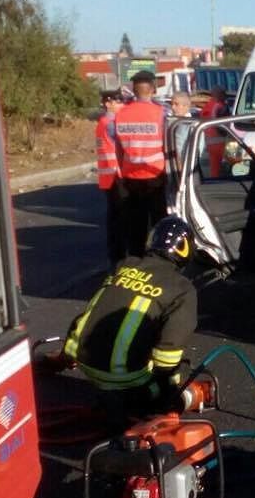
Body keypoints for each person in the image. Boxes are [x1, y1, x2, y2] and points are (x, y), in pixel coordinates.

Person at [63, 217, 199, 435]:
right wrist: (169, 396)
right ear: (186, 251)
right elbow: (167, 358)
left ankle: (113, 395)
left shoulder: (125, 265)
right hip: (123, 376)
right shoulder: (182, 289)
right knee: (174, 376)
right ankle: (148, 404)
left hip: (82, 359)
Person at [114, 70, 168, 257]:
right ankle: (160, 260)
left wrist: (122, 170)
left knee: (135, 224)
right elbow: (167, 145)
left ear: (133, 90)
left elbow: (118, 148)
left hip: (131, 177)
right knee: (159, 222)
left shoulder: (121, 115)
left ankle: (136, 259)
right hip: (155, 175)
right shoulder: (160, 113)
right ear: (152, 90)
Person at [96, 89, 125, 266]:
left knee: (114, 219)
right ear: (108, 103)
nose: (122, 104)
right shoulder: (111, 123)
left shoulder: (103, 122)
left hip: (108, 177)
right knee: (120, 220)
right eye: (118, 101)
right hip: (116, 176)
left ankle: (115, 256)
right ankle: (119, 258)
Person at [199, 86, 230, 177]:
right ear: (219, 95)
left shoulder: (206, 107)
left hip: (210, 143)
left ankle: (214, 184)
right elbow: (223, 124)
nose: (225, 97)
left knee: (214, 169)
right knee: (234, 166)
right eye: (224, 95)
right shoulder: (220, 106)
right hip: (222, 142)